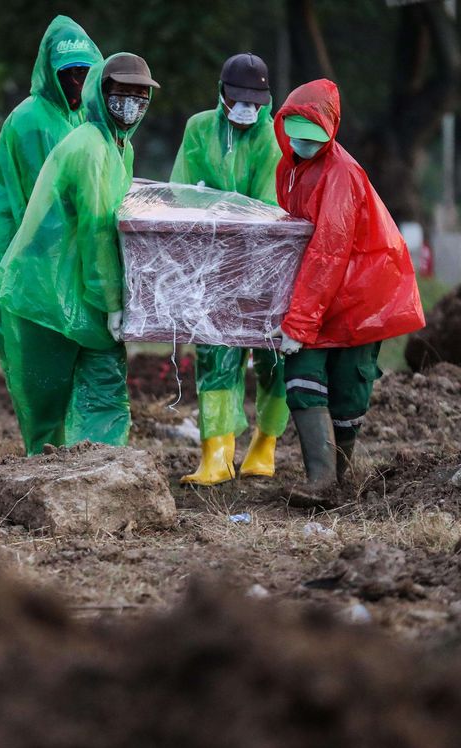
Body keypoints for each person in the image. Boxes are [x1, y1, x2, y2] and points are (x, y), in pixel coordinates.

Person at [0, 53, 158, 454]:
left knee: (104, 387)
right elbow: (97, 231)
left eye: (140, 96)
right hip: (44, 292)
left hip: (82, 288)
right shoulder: (90, 148)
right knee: (46, 404)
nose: (131, 104)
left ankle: (102, 475)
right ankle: (42, 485)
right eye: (121, 93)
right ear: (101, 93)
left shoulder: (120, 146)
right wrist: (113, 301)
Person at [270, 79, 425, 506]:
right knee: (303, 378)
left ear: (331, 131)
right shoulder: (290, 168)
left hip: (361, 297)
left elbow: (328, 252)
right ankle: (321, 481)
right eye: (296, 134)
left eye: (312, 136)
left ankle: (339, 480)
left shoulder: (341, 174)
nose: (303, 143)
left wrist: (299, 320)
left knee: (348, 390)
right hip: (321, 295)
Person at [0, 17, 102, 430]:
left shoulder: (84, 119)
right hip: (24, 261)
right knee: (36, 367)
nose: (79, 83)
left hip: (59, 260)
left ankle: (70, 454)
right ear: (51, 74)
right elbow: (45, 207)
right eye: (70, 74)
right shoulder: (31, 121)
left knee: (70, 359)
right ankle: (43, 454)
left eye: (87, 73)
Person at [170, 53, 287, 486]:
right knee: (215, 352)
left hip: (265, 264)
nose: (245, 109)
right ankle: (216, 452)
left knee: (274, 357)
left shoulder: (272, 138)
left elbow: (268, 207)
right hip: (210, 263)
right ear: (222, 94)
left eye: (254, 101)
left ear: (265, 99)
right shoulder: (199, 128)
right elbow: (181, 192)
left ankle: (265, 443)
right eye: (237, 99)